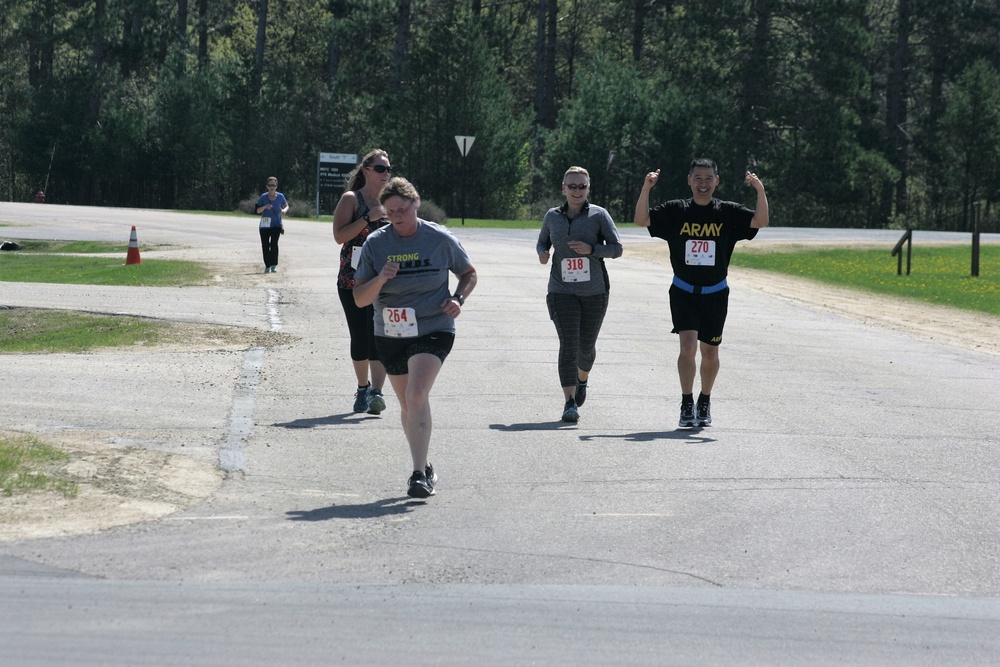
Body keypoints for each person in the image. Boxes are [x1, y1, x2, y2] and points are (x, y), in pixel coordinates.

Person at [353, 177, 477, 498]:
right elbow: (361, 299)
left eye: (402, 210)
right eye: (390, 211)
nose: (396, 217)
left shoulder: (438, 238)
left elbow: (468, 273)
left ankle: (418, 474)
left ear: (416, 203)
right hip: (391, 332)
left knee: (417, 394)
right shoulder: (375, 245)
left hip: (434, 326)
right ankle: (424, 463)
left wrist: (458, 299)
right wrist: (380, 278)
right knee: (408, 405)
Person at [634, 158, 769, 428]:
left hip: (716, 293)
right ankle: (686, 402)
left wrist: (760, 190)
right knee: (687, 348)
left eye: (708, 178)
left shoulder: (728, 212)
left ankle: (704, 400)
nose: (703, 184)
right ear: (689, 180)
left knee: (710, 353)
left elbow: (760, 221)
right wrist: (646, 188)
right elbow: (641, 220)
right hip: (683, 291)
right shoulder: (676, 210)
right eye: (698, 178)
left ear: (717, 181)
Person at [537, 166, 623, 423]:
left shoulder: (599, 215)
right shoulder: (552, 216)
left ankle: (582, 379)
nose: (576, 190)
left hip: (595, 292)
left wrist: (591, 249)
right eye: (572, 186)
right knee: (569, 344)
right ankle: (569, 402)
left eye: (581, 186)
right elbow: (543, 241)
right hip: (561, 290)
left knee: (586, 347)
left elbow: (617, 249)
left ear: (588, 188)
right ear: (563, 188)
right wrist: (542, 253)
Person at [333, 150, 392, 414]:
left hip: (385, 279)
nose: (386, 174)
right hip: (352, 278)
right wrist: (368, 218)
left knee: (380, 334)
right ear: (366, 171)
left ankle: (377, 393)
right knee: (360, 336)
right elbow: (339, 235)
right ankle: (362, 387)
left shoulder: (393, 200)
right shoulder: (352, 199)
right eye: (380, 169)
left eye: (388, 169)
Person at [255, 176, 289, 273]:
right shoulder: (263, 197)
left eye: (274, 185)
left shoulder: (280, 196)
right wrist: (265, 207)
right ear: (267, 186)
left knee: (274, 244)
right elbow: (257, 210)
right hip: (264, 226)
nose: (272, 187)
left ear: (276, 186)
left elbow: (286, 205)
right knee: (265, 245)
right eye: (270, 185)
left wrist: (284, 210)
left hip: (276, 225)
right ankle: (267, 265)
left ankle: (274, 264)